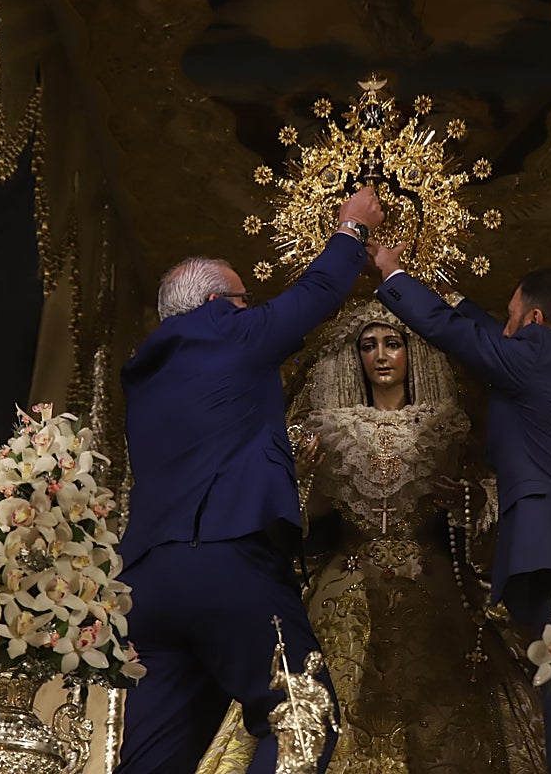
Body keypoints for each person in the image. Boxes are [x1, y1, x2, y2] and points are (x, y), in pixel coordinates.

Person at [197, 300, 546, 773]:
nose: (381, 356)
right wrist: (297, 480)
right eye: (369, 346)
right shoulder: (329, 429)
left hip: (432, 586)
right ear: (356, 357)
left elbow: (483, 504)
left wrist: (468, 501)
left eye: (392, 344)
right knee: (324, 708)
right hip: (346, 587)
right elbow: (300, 522)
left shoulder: (447, 426)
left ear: (412, 353)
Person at [116, 187, 384, 774]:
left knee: (154, 756)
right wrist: (352, 229)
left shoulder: (146, 368)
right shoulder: (224, 331)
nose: (250, 310)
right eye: (245, 300)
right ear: (219, 301)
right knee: (302, 716)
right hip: (226, 564)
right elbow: (314, 296)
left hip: (147, 588)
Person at [369, 252, 551, 774]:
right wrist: (458, 297)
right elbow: (495, 339)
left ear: (534, 322)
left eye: (511, 317)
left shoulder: (530, 358)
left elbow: (461, 336)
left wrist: (393, 274)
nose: (504, 328)